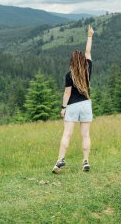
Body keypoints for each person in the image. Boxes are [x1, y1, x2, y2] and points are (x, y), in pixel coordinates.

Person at [52, 24, 94, 173]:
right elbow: (88, 51)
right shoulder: (87, 69)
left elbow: (67, 94)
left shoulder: (69, 75)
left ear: (71, 61)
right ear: (82, 60)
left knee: (67, 134)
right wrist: (90, 36)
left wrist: (63, 108)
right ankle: (85, 162)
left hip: (72, 106)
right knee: (86, 135)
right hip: (86, 104)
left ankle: (60, 161)